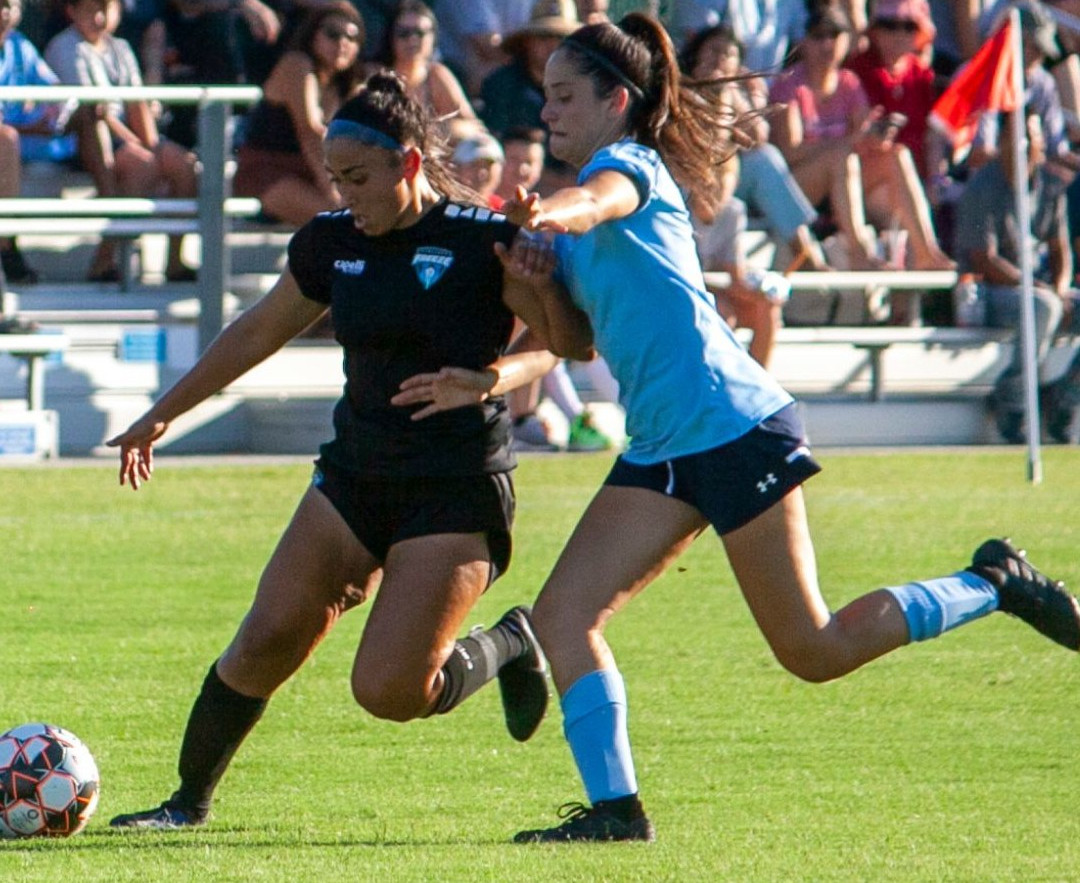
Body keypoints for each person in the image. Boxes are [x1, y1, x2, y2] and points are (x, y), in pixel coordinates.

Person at [474, 14, 1077, 842]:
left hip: (735, 428)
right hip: (660, 447)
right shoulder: (577, 211)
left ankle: (993, 583)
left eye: (565, 96)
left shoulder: (628, 167)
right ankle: (617, 811)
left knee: (814, 649)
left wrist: (551, 217)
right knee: (563, 616)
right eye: (546, 98)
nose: (548, 113)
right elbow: (573, 343)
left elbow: (592, 202)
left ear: (618, 100)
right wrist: (536, 277)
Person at [104, 72, 596, 830]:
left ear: (407, 164)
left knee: (389, 691)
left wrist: (490, 375)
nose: (345, 194)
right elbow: (257, 330)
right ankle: (184, 806)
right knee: (265, 638)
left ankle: (511, 640)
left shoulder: (480, 236)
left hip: (455, 488)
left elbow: (569, 342)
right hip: (354, 478)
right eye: (335, 178)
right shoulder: (331, 242)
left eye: (359, 178)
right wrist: (161, 415)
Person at [769, 3, 955, 273]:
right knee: (841, 158)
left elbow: (860, 142)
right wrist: (846, 142)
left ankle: (926, 250)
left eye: (835, 35)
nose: (827, 44)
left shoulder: (849, 83)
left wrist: (874, 139)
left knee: (897, 154)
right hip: (799, 187)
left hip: (844, 184)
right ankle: (860, 253)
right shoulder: (790, 87)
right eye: (818, 35)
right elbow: (789, 153)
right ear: (804, 42)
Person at [45, 0, 199, 282]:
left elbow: (135, 102)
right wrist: (141, 148)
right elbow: (94, 111)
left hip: (124, 139)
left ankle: (175, 261)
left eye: (107, 9)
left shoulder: (120, 47)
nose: (100, 18)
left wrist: (151, 144)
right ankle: (104, 261)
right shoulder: (65, 46)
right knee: (143, 165)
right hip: (85, 140)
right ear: (72, 11)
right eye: (92, 10)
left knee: (185, 165)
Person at [953, 109, 1080, 445]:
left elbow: (1060, 248)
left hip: (1038, 289)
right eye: (1016, 137)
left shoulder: (1050, 185)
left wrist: (1060, 287)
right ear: (1002, 141)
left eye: (1031, 137)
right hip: (989, 291)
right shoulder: (983, 185)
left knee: (1051, 303)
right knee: (1042, 307)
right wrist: (1037, 289)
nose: (1024, 146)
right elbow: (984, 258)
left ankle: (1065, 395)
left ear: (1042, 143)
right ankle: (1012, 401)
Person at [680, 22, 830, 271]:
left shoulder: (738, 93)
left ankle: (804, 251)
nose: (719, 59)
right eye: (713, 50)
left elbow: (757, 138)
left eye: (728, 54)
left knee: (765, 159)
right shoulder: (682, 90)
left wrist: (729, 93)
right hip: (691, 175)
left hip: (728, 179)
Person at [233, 3, 367, 227]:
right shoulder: (296, 65)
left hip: (313, 174)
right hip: (267, 172)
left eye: (352, 38)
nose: (342, 43)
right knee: (342, 219)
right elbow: (310, 133)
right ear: (313, 34)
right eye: (332, 34)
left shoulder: (346, 84)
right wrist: (335, 191)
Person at [0, 0, 78, 285]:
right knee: (6, 140)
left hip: (26, 141)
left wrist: (52, 113)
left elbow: (57, 91)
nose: (4, 13)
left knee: (87, 115)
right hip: (12, 141)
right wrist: (28, 125)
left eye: (10, 5)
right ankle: (7, 249)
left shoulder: (20, 46)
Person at [479, 0, 580, 192]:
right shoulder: (501, 85)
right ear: (528, 42)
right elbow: (497, 151)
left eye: (560, 38)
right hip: (512, 190)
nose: (552, 45)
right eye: (544, 37)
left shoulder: (585, 90)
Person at [374, 0, 477, 124]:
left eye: (420, 33)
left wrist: (441, 130)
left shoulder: (436, 74)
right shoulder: (374, 75)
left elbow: (472, 126)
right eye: (404, 33)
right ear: (390, 37)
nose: (412, 39)